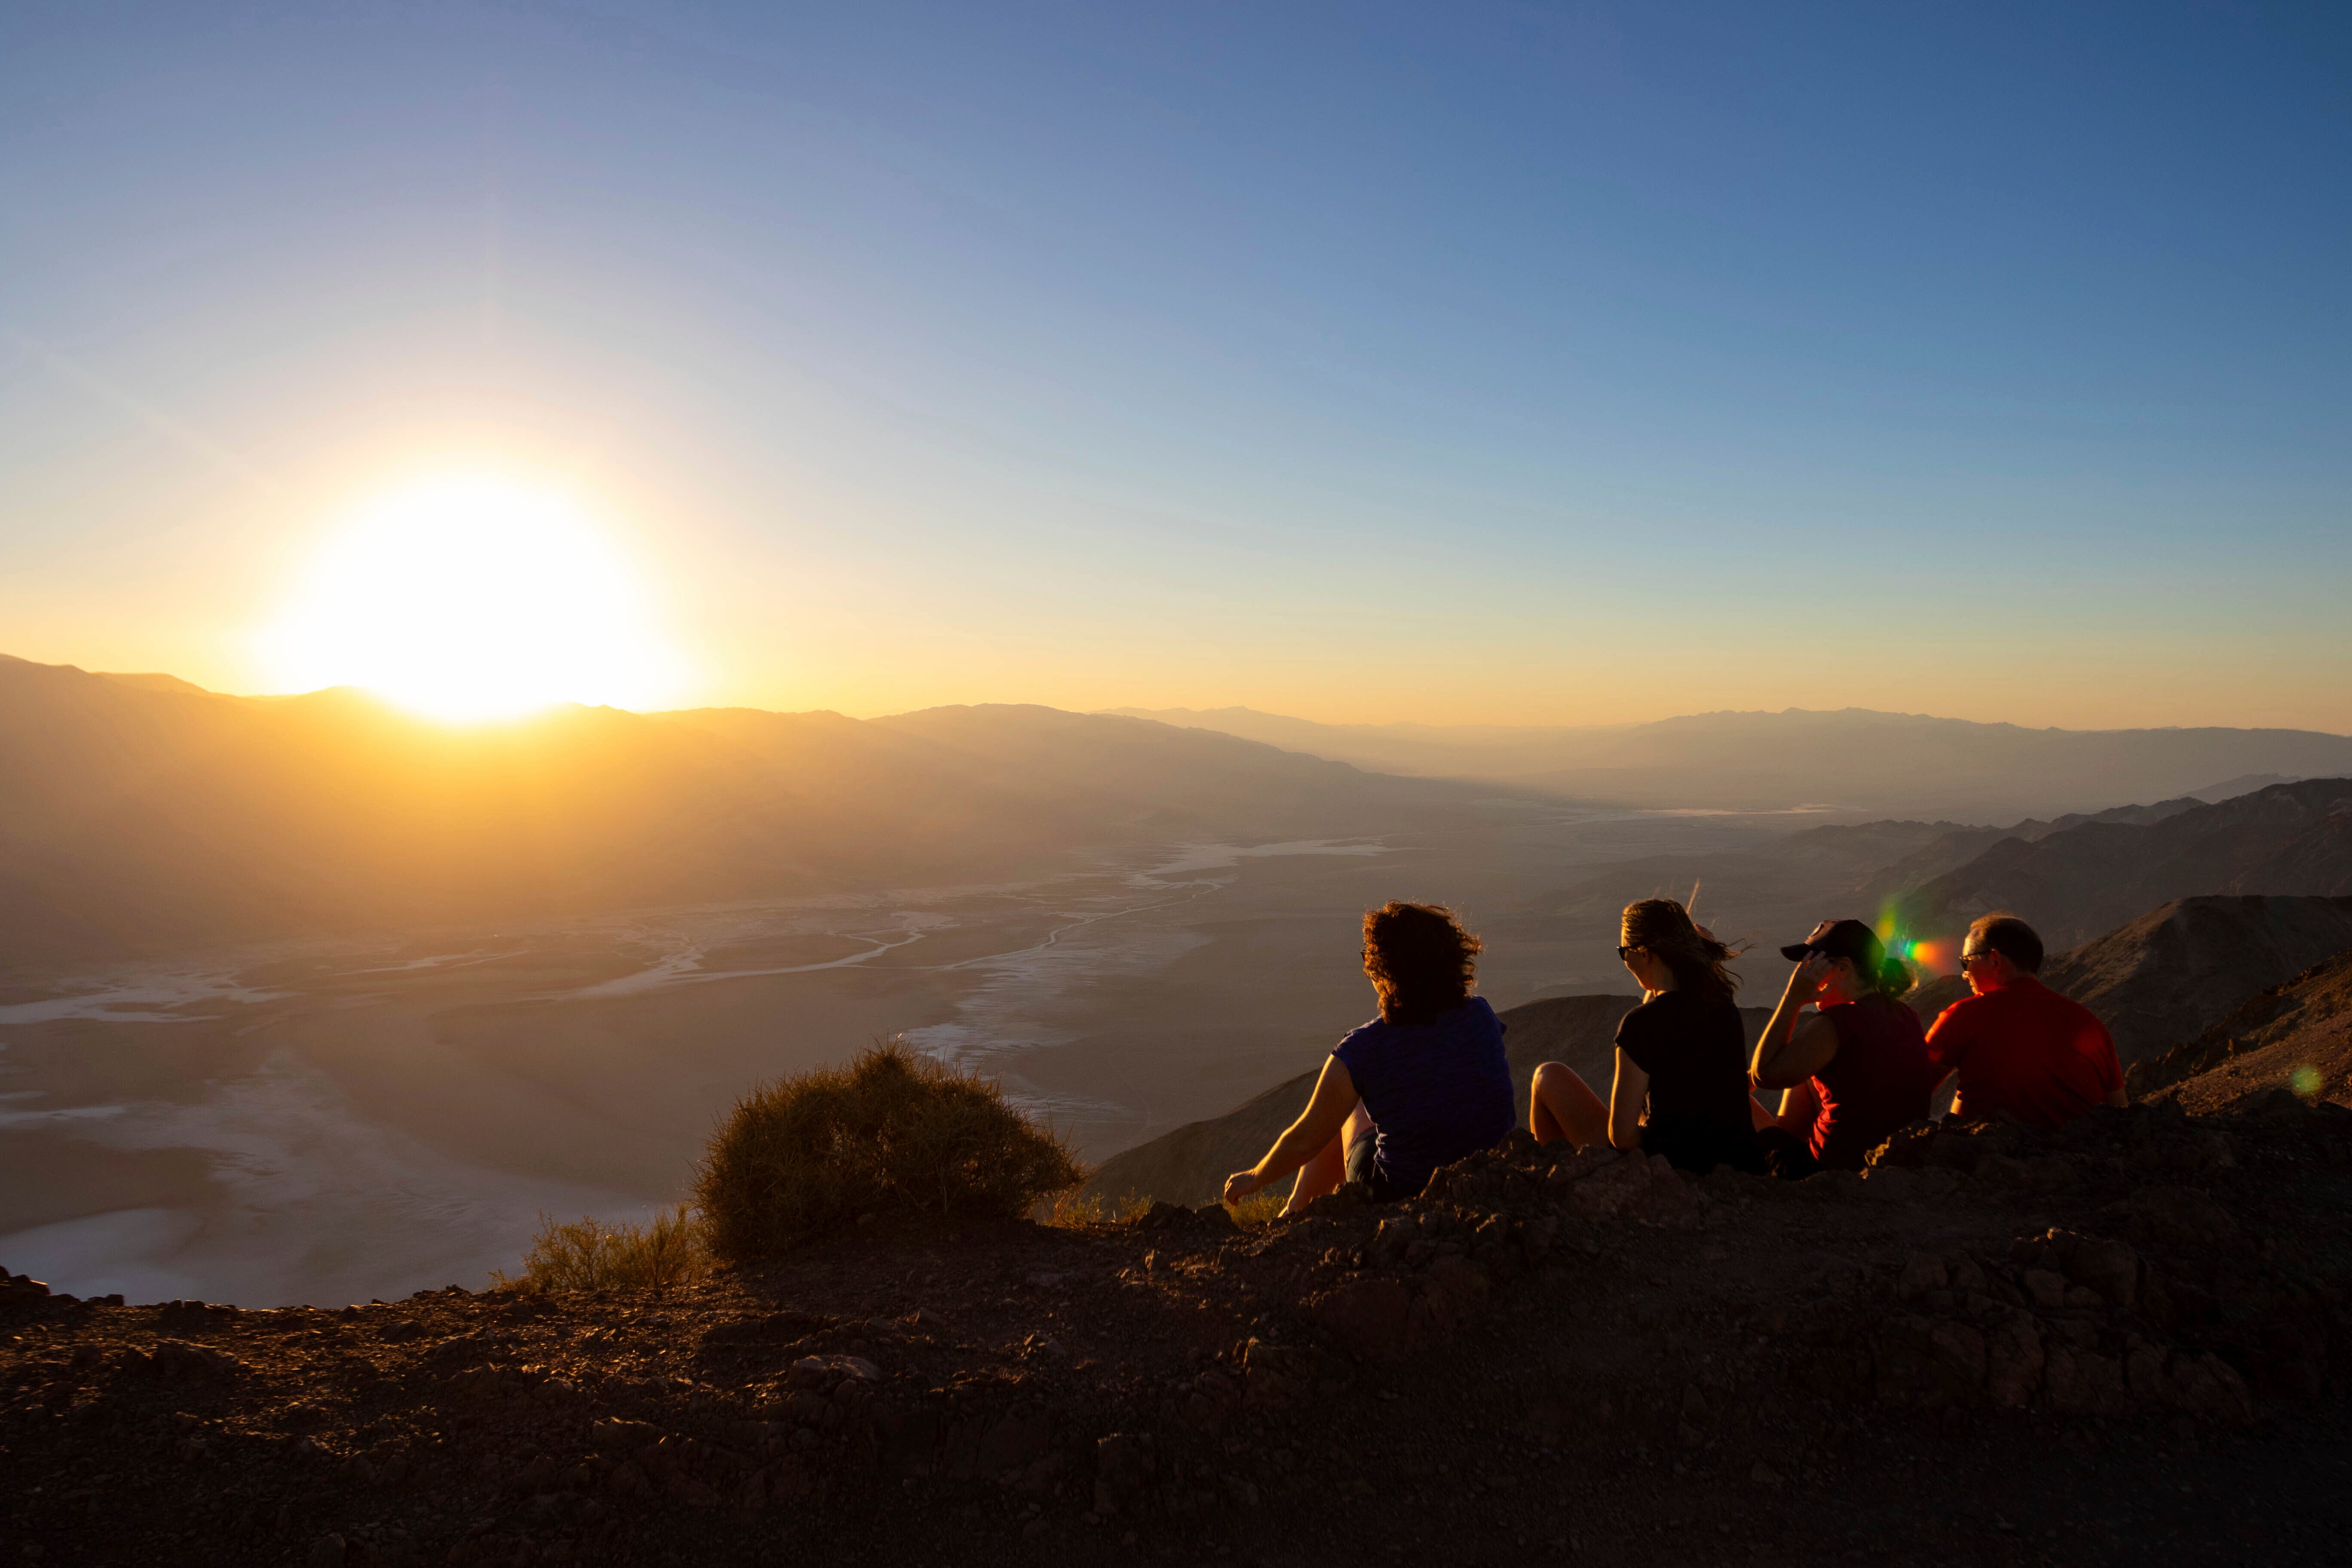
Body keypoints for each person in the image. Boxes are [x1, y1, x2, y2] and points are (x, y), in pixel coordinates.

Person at [1222, 901, 1513, 1215]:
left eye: (1370, 958)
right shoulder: (1481, 1013)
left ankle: (1293, 1213)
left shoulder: (1363, 1049)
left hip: (1400, 1195)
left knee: (1345, 1110)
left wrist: (1255, 1177)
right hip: (1491, 1180)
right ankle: (1294, 1211)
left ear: (1385, 970)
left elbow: (1306, 1139)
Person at [1527, 898, 1764, 1174]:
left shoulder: (1640, 1026)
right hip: (1737, 1163)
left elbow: (1622, 1137)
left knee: (1548, 1077)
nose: (1625, 959)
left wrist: (1655, 1139)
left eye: (1624, 951)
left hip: (1669, 1169)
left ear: (1645, 953)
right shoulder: (1724, 1007)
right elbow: (1666, 1008)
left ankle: (1553, 1187)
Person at [1748, 919, 1940, 1176]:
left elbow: (1765, 1074)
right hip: (1891, 1161)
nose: (1804, 973)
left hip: (1829, 1172)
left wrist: (1792, 998)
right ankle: (1782, 1141)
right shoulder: (1903, 1013)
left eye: (1812, 965)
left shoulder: (1838, 1023)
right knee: (1808, 1073)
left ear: (1843, 968)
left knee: (1725, 1090)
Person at [1922, 913, 2125, 1129]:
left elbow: (1909, 1088)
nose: (1965, 975)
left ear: (1995, 960)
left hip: (1987, 1155)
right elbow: (2121, 1111)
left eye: (1966, 963)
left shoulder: (1964, 1015)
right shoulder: (2091, 1025)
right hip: (2080, 1156)